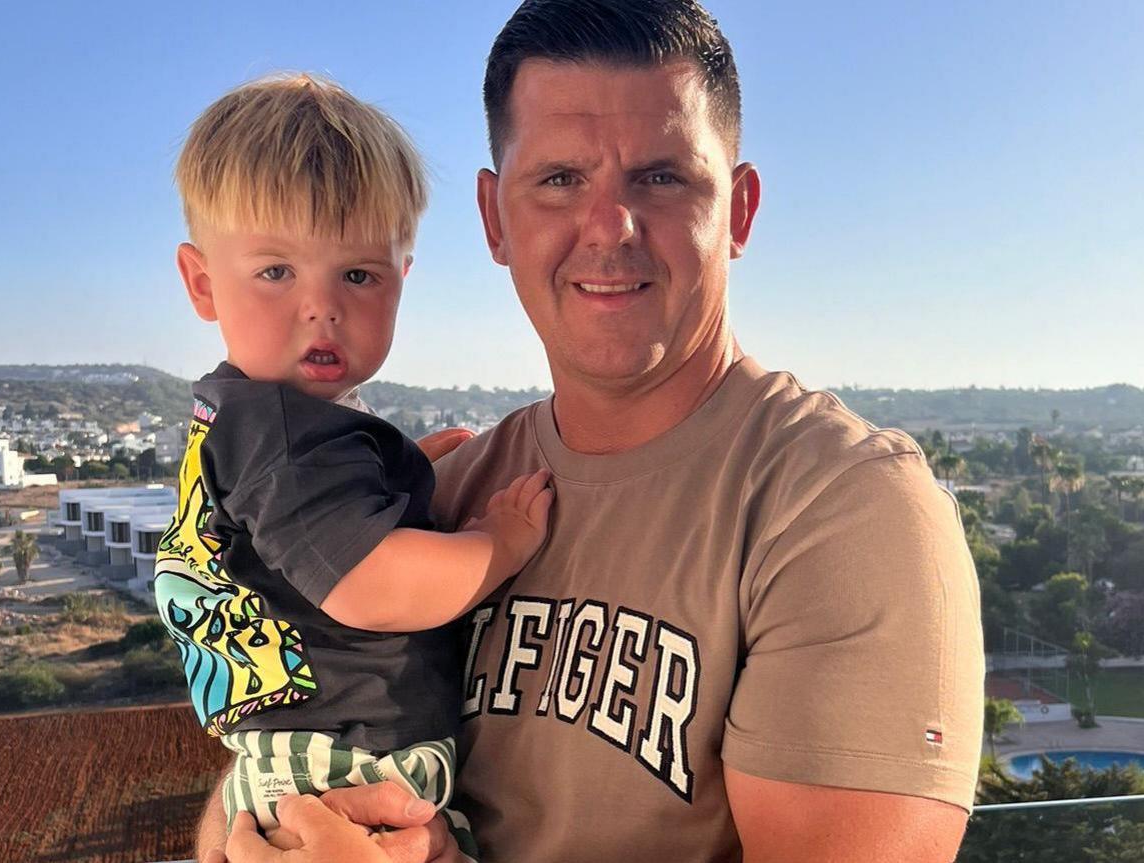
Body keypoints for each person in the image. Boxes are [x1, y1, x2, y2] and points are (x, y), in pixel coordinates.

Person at [199, 2, 984, 861]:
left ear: (741, 210)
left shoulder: (841, 508)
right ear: (496, 219)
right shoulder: (452, 492)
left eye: (661, 178)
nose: (610, 228)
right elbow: (268, 761)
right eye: (561, 180)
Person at [156, 73, 553, 855]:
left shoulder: (240, 415)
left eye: (358, 274)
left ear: (403, 278)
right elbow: (371, 584)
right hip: (349, 763)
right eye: (276, 271)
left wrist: (404, 477)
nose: (321, 305)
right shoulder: (287, 431)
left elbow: (300, 535)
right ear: (203, 283)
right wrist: (496, 545)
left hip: (294, 762)